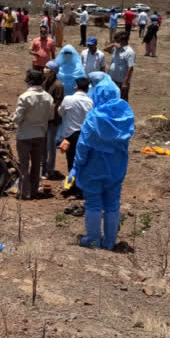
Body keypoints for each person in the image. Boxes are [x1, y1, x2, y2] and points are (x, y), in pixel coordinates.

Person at [70, 74, 135, 249]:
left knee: (93, 203)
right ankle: (109, 242)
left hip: (93, 167)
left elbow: (83, 146)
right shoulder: (126, 116)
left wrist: (76, 167)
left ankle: (93, 239)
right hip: (116, 168)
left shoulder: (93, 118)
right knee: (112, 204)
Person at [12, 69, 54, 199]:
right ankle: (34, 190)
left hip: (25, 135)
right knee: (36, 165)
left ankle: (25, 192)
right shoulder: (48, 97)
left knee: (24, 165)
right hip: (40, 134)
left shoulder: (25, 97)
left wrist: (14, 120)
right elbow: (51, 116)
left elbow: (18, 118)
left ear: (29, 81)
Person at [58, 77, 93, 181]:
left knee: (71, 160)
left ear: (76, 87)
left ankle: (73, 186)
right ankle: (80, 186)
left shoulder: (68, 99)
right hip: (84, 135)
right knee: (82, 160)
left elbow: (60, 113)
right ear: (87, 89)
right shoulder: (90, 102)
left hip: (70, 135)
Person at [42, 60, 64, 179]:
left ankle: (50, 170)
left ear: (53, 72)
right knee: (43, 144)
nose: (45, 70)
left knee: (51, 146)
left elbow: (57, 104)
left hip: (53, 120)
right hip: (44, 118)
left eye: (47, 68)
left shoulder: (58, 86)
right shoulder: (45, 82)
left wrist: (48, 113)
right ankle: (43, 167)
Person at [105, 31, 135, 101]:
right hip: (112, 80)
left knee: (122, 100)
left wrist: (125, 82)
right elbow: (105, 49)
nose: (115, 42)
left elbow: (130, 68)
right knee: (112, 99)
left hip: (121, 82)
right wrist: (112, 45)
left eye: (117, 40)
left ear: (123, 40)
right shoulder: (116, 49)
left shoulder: (129, 52)